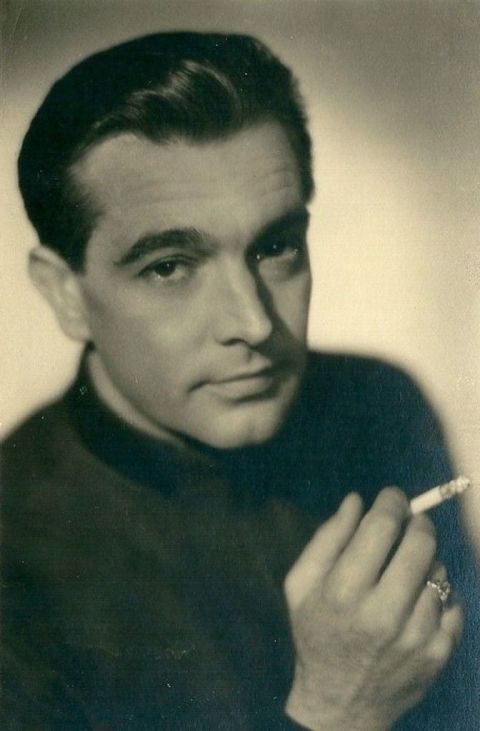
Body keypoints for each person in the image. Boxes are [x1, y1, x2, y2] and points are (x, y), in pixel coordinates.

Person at [1, 32, 478, 730]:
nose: (253, 323)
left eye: (276, 246)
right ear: (65, 294)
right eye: (168, 266)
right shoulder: (13, 557)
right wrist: (335, 714)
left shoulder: (380, 405)